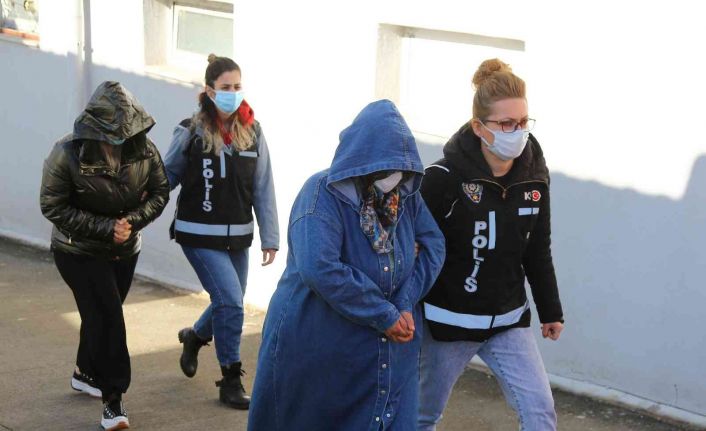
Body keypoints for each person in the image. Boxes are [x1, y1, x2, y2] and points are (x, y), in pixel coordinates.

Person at [248, 100, 445, 431]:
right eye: (383, 168)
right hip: (318, 342)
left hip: (387, 350)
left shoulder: (406, 198)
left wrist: (404, 301)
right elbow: (319, 267)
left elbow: (434, 246)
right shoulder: (321, 194)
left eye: (399, 168)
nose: (392, 176)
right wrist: (384, 313)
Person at [417, 59, 565, 431]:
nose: (518, 132)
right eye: (506, 124)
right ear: (479, 127)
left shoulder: (534, 178)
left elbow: (537, 248)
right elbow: (413, 250)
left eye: (523, 122)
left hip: (509, 320)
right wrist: (400, 312)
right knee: (420, 416)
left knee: (540, 412)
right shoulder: (442, 179)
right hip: (448, 324)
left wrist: (550, 310)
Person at [40, 81, 170, 430]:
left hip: (124, 249)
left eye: (126, 132)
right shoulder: (66, 153)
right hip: (76, 250)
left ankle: (85, 372)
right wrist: (105, 227)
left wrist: (132, 221)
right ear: (94, 126)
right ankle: (114, 401)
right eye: (111, 133)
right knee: (109, 317)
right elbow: (51, 205)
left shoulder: (145, 151)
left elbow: (160, 192)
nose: (119, 140)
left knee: (99, 315)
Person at [163, 54, 279, 410]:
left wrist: (270, 237)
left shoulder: (253, 132)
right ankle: (230, 380)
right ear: (210, 92)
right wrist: (132, 206)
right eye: (226, 87)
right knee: (230, 301)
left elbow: (263, 187)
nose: (233, 93)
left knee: (229, 302)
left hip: (238, 236)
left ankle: (195, 337)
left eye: (237, 86)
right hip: (198, 234)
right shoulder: (191, 131)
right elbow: (166, 176)